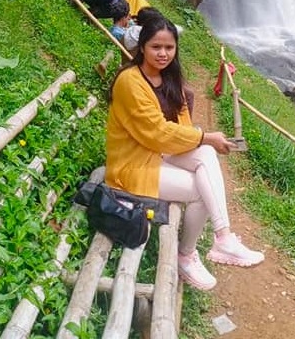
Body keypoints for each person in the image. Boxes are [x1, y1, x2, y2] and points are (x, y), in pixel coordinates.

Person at [106, 14, 264, 291]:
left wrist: (206, 142)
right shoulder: (130, 82)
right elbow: (156, 132)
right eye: (156, 47)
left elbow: (181, 126)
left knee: (206, 156)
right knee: (201, 190)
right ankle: (186, 255)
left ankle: (223, 238)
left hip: (158, 154)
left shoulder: (169, 78)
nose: (163, 53)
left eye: (169, 47)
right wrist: (205, 137)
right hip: (132, 165)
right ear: (142, 46)